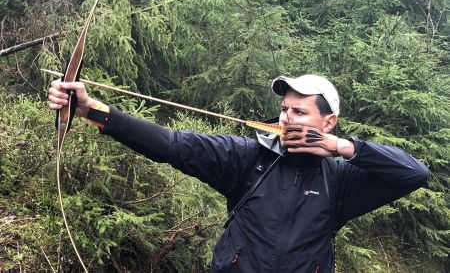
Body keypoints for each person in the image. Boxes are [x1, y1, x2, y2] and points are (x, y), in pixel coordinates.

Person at [48, 74, 429, 272]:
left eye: (299, 112)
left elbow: (413, 174)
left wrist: (345, 148)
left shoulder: (340, 178)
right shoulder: (247, 157)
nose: (286, 118)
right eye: (284, 109)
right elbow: (170, 144)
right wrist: (90, 110)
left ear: (328, 122)